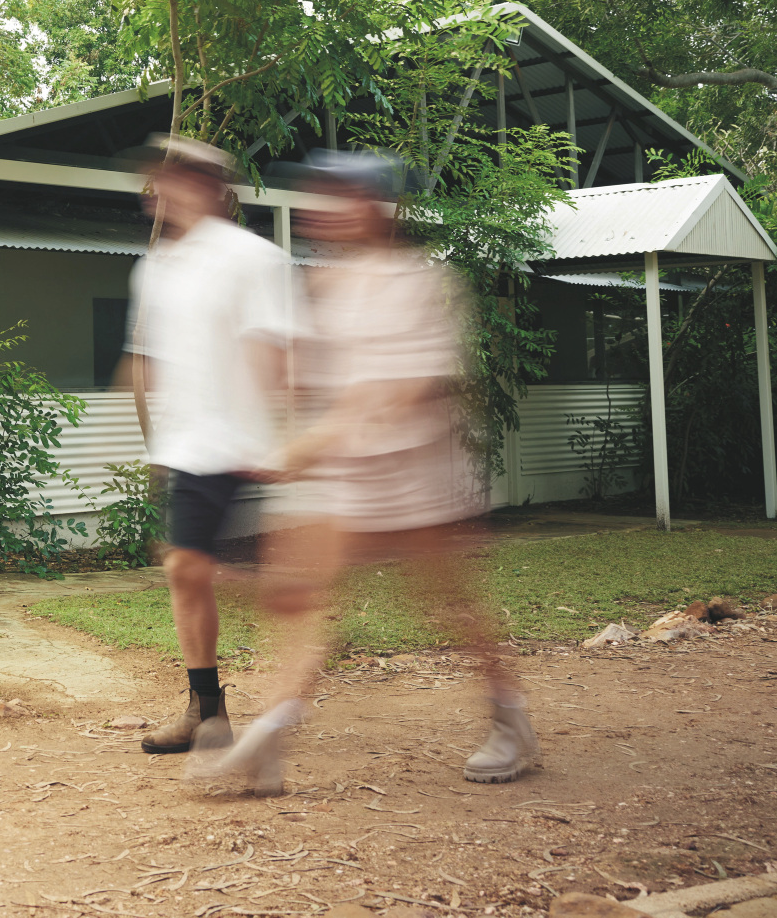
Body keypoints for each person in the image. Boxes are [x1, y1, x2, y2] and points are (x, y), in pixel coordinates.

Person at [182, 149, 537, 793]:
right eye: (323, 196)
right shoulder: (325, 285)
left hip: (416, 474)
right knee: (300, 597)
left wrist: (307, 446)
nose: (328, 209)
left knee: (450, 604)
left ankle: (511, 720)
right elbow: (305, 377)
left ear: (377, 207)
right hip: (344, 477)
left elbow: (400, 388)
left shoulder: (421, 281)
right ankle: (270, 740)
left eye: (344, 196)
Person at [119, 134, 292, 755]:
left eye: (176, 180)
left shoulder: (254, 258)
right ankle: (206, 711)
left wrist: (275, 437)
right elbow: (149, 360)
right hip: (188, 445)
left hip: (239, 440)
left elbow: (272, 348)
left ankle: (244, 695)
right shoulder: (156, 268)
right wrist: (153, 442)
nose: (160, 192)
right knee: (185, 571)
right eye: (157, 182)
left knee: (191, 567)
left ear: (212, 190)